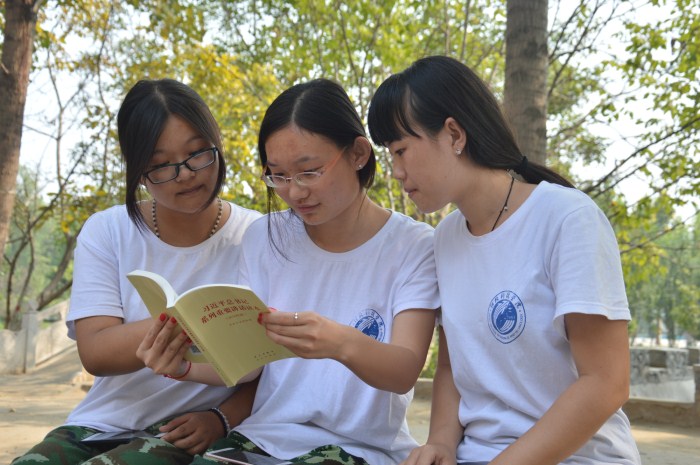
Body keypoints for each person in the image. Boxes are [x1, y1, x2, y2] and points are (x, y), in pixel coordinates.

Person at [136, 78, 441, 465]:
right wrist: (181, 365)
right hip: (260, 441)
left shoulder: (413, 246)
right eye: (277, 175)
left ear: (358, 153)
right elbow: (247, 366)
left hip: (358, 449)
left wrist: (340, 343)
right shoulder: (264, 237)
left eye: (308, 171)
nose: (294, 192)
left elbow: (404, 370)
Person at [366, 55, 641, 465]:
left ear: (454, 134)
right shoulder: (445, 239)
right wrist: (440, 444)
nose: (396, 171)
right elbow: (453, 367)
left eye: (402, 150)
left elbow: (606, 382)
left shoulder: (567, 218)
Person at [12, 79, 261, 465]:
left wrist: (221, 418)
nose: (185, 174)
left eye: (198, 154)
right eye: (161, 164)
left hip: (192, 432)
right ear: (139, 172)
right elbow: (95, 351)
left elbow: (275, 364)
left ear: (217, 146)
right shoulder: (108, 230)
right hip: (101, 425)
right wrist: (182, 325)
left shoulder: (257, 237)